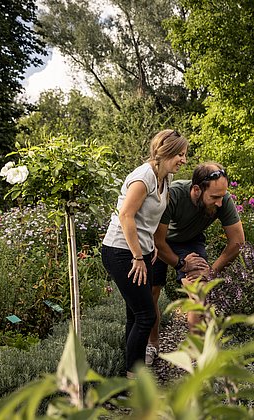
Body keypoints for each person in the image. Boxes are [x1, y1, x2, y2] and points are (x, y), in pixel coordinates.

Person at [101, 129, 188, 379]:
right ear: (166, 152)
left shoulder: (164, 177)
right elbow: (126, 215)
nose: (183, 160)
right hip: (121, 251)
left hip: (141, 252)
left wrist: (148, 247)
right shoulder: (143, 178)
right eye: (179, 155)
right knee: (146, 314)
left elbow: (147, 220)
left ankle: (131, 373)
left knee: (136, 314)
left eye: (184, 155)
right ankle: (134, 377)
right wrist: (138, 256)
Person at [146, 162, 245, 365]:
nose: (220, 202)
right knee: (152, 292)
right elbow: (159, 241)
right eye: (214, 197)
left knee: (199, 291)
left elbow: (237, 242)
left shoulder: (222, 199)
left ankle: (197, 354)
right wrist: (182, 264)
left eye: (222, 196)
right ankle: (152, 344)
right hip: (157, 242)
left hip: (189, 241)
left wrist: (210, 271)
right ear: (197, 189)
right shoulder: (173, 195)